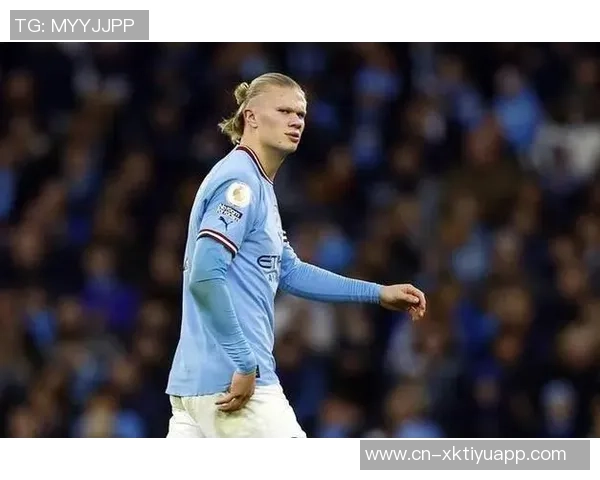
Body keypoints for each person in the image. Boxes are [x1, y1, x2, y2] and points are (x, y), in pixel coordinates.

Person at [165, 72, 427, 438]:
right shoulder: (240, 182)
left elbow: (289, 271)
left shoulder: (257, 182)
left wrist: (378, 293)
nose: (296, 121)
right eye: (284, 111)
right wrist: (245, 362)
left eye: (301, 114)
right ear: (251, 117)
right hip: (235, 383)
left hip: (195, 386)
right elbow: (205, 276)